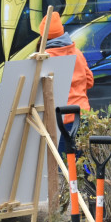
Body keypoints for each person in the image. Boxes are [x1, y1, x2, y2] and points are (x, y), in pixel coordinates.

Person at [38, 11, 94, 152]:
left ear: (43, 35)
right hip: (84, 115)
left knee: (65, 164)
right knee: (83, 161)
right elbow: (89, 81)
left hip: (61, 120)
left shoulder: (44, 59)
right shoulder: (77, 53)